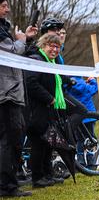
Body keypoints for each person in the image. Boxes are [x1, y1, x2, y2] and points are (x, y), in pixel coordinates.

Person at [24, 33, 77, 187]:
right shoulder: (36, 59)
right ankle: (37, 178)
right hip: (36, 110)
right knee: (38, 144)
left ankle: (47, 175)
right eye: (51, 46)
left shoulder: (50, 63)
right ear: (43, 45)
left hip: (47, 110)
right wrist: (50, 98)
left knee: (48, 143)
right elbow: (31, 83)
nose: (54, 49)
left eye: (57, 47)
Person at [0, 0, 38, 197]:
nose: (7, 9)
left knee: (13, 138)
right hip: (5, 94)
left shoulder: (4, 28)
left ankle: (10, 182)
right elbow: (12, 53)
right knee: (10, 140)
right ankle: (7, 187)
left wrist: (27, 39)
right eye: (4, 5)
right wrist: (21, 40)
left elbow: (20, 51)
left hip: (12, 92)